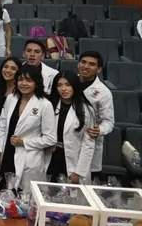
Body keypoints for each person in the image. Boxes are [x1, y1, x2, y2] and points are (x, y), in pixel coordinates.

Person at [0, 65, 56, 185]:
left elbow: (50, 139)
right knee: (5, 191)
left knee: (24, 193)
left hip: (29, 157)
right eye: (20, 80)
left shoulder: (45, 104)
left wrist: (24, 142)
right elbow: (2, 128)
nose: (24, 84)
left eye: (29, 80)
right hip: (6, 154)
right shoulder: (11, 99)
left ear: (36, 83)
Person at [47, 71, 96, 184]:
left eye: (68, 85)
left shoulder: (86, 109)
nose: (63, 89)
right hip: (51, 156)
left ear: (75, 86)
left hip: (73, 159)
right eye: (59, 85)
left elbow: (88, 144)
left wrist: (79, 172)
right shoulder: (50, 105)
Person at [77, 51, 114, 179]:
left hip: (88, 141)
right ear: (78, 64)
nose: (86, 66)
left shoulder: (104, 92)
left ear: (98, 69)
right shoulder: (68, 83)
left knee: (85, 182)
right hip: (67, 140)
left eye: (92, 64)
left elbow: (108, 121)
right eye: (83, 62)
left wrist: (99, 130)